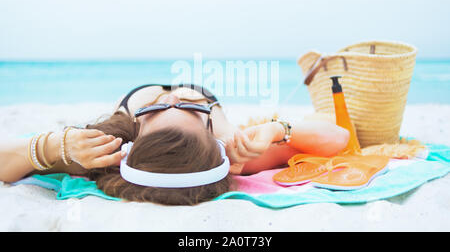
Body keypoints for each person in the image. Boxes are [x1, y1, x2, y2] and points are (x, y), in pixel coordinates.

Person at [0, 83, 349, 205]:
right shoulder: (229, 146)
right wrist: (277, 130)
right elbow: (339, 139)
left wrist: (53, 147)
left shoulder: (103, 151)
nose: (171, 99)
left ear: (131, 144)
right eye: (161, 106)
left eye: (186, 105)